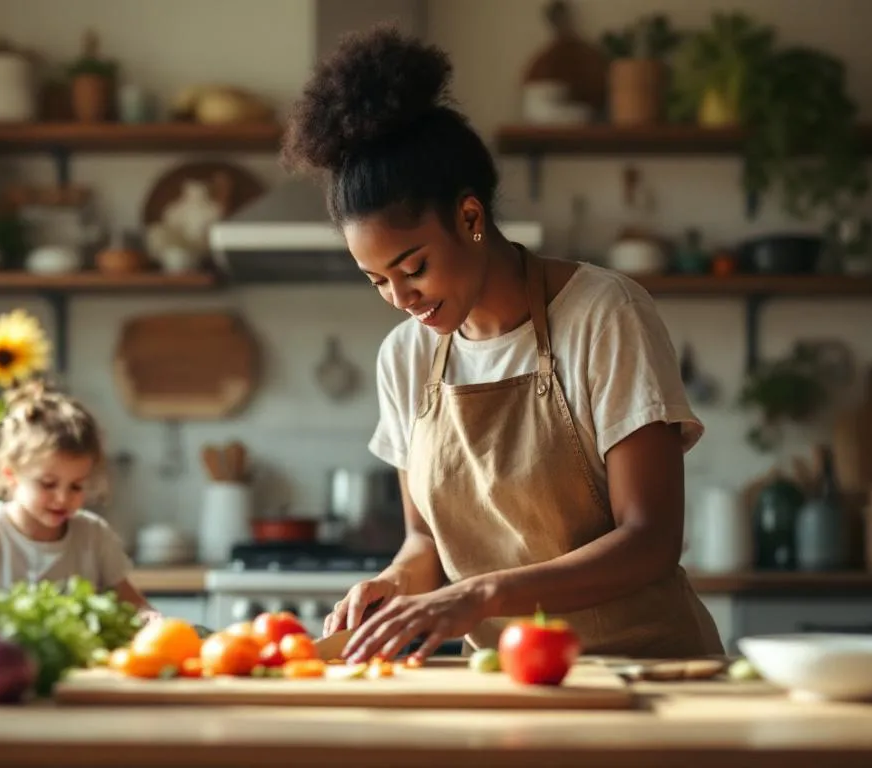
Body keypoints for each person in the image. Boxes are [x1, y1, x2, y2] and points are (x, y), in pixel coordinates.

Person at [285, 26, 722, 663]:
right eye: (377, 280)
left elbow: (651, 537)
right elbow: (424, 543)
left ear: (470, 217)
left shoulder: (603, 314)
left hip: (648, 673)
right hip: (506, 678)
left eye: (413, 268)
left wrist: (481, 595)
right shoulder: (405, 359)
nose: (401, 298)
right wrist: (392, 584)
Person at [0, 381, 157, 621]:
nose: (63, 498)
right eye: (47, 484)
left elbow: (134, 605)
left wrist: (150, 618)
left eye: (76, 486)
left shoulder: (93, 535)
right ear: (11, 474)